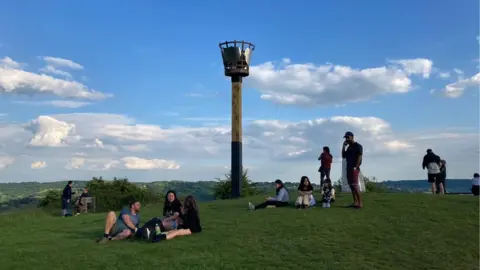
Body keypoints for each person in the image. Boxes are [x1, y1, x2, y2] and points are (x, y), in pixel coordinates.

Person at [342, 131, 363, 209]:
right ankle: (355, 202)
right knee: (351, 186)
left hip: (354, 168)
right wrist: (343, 146)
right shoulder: (348, 148)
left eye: (348, 137)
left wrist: (356, 167)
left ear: (352, 137)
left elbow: (359, 157)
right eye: (346, 138)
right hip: (348, 168)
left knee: (355, 185)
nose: (347, 139)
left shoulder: (358, 146)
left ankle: (360, 203)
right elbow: (343, 156)